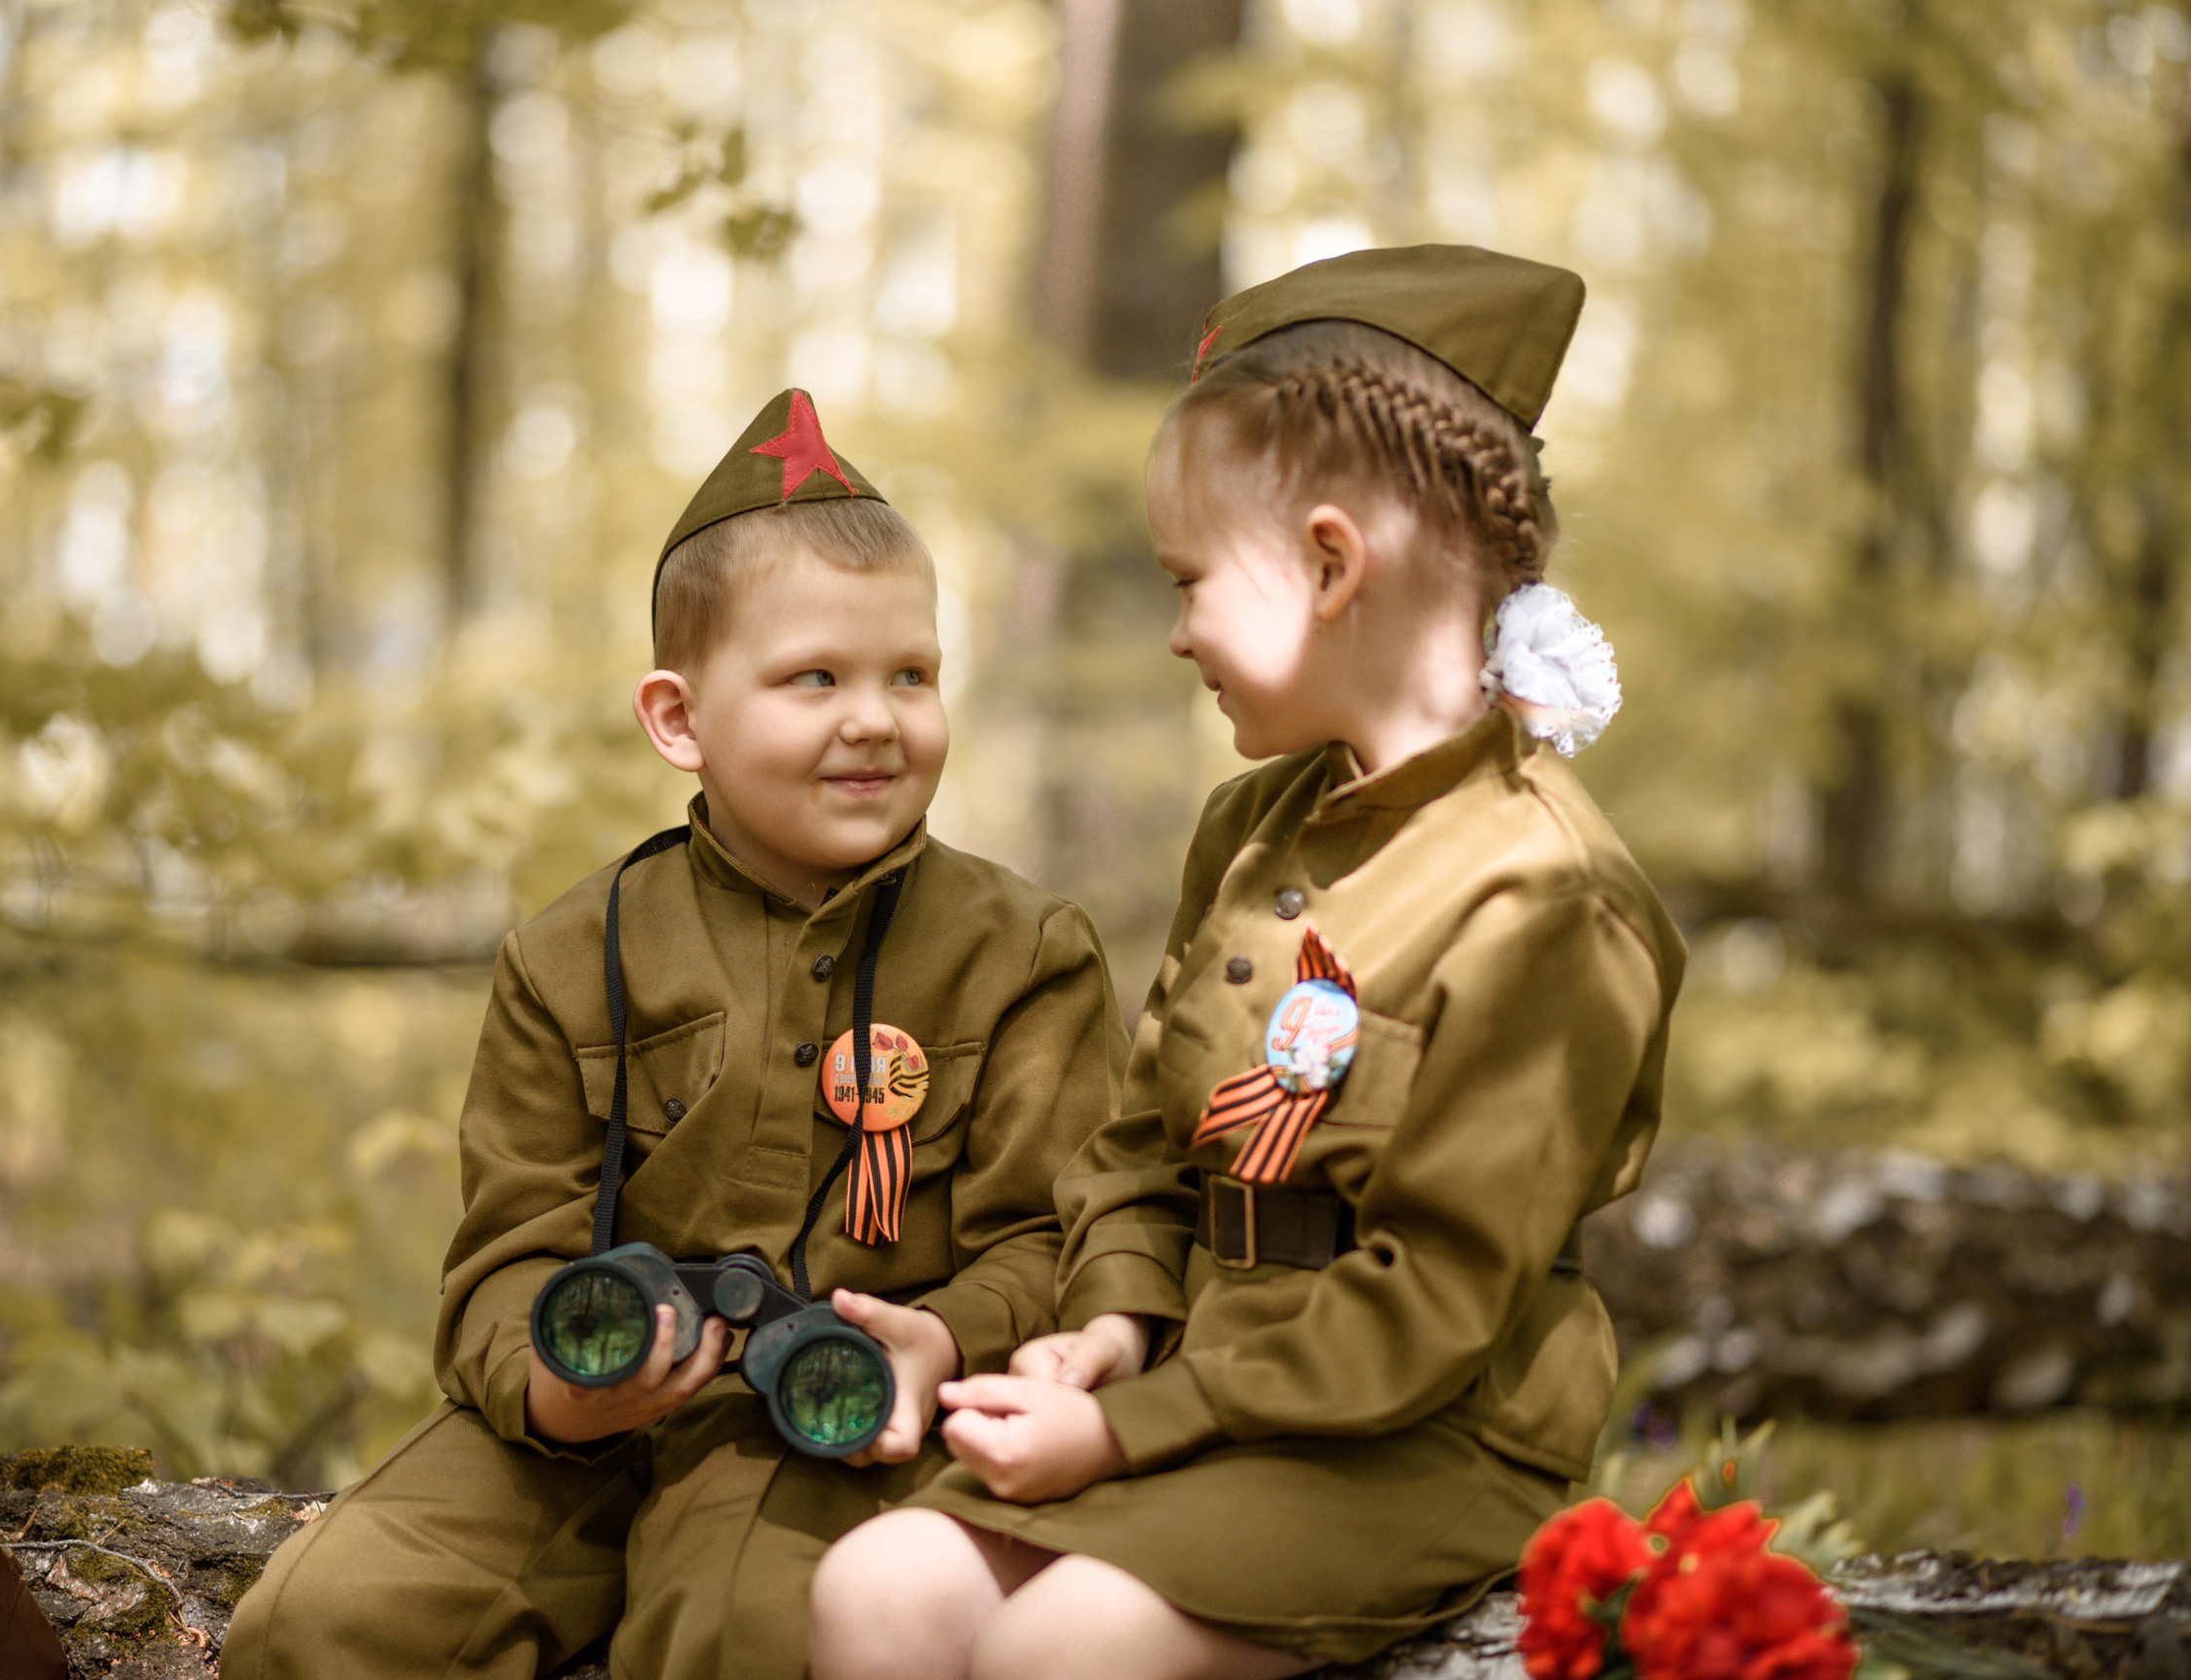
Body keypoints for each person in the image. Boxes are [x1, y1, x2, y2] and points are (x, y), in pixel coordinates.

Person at [809, 245, 1687, 1680]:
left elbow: (1434, 1303)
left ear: (1333, 564)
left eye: (1192, 580)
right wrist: (1109, 1327)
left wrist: (1131, 1428)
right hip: (1198, 1394)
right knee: (880, 1589)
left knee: (1062, 1648)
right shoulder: (1253, 825)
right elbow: (1147, 1146)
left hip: (1413, 1440)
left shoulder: (1544, 897)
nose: (1174, 631)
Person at [222, 389, 1127, 1680]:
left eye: (911, 674)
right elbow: (502, 1261)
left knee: (740, 1632)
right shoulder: (571, 955)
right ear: (678, 718)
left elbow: (1056, 1237)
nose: (874, 716)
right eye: (815, 675)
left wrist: (944, 1338)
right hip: (574, 1428)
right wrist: (558, 1383)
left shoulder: (1022, 952)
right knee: (321, 1621)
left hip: (833, 1425)